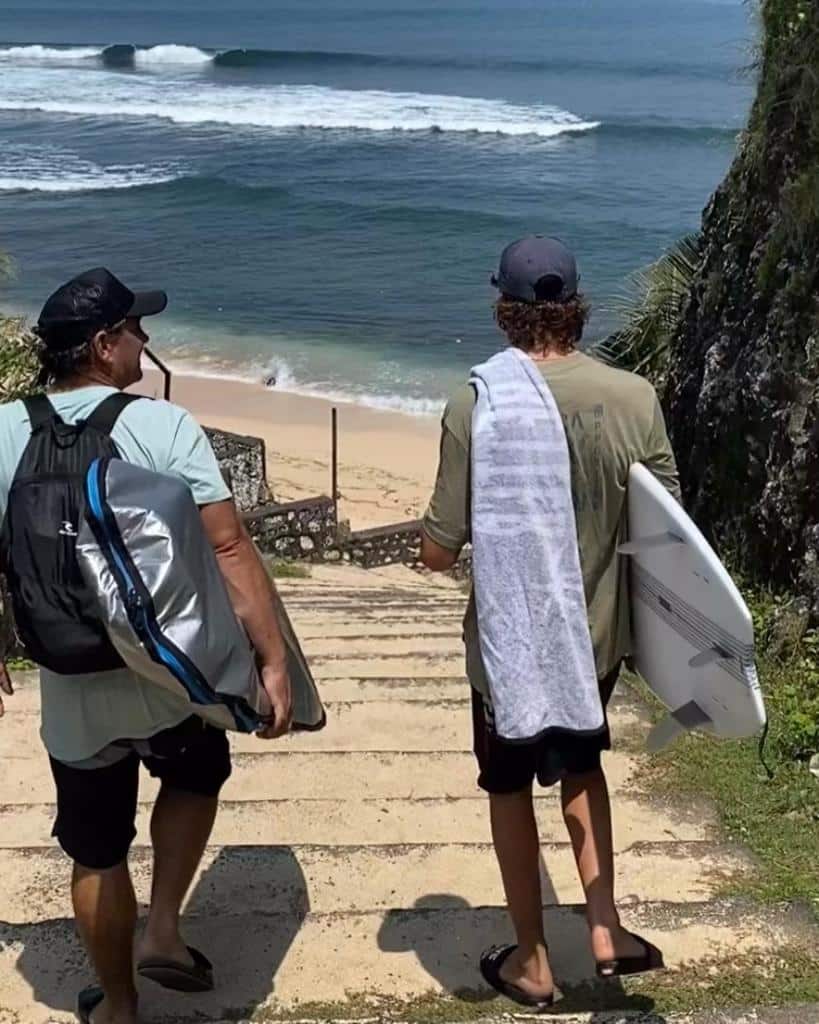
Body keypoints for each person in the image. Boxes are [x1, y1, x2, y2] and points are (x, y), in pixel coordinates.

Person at [0, 267, 293, 1024]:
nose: (145, 340)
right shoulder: (160, 425)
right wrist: (271, 661)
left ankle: (119, 1007)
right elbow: (228, 551)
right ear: (103, 346)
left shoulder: (3, 429)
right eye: (134, 329)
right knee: (196, 775)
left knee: (95, 852)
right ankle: (162, 926)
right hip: (171, 670)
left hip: (71, 680)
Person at [420, 237, 680, 1007]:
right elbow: (668, 527)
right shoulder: (633, 396)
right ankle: (604, 927)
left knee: (507, 790)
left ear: (503, 308)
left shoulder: (477, 401)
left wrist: (441, 542)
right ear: (576, 304)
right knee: (582, 769)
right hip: (590, 638)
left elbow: (439, 550)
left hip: (505, 650)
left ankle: (531, 959)